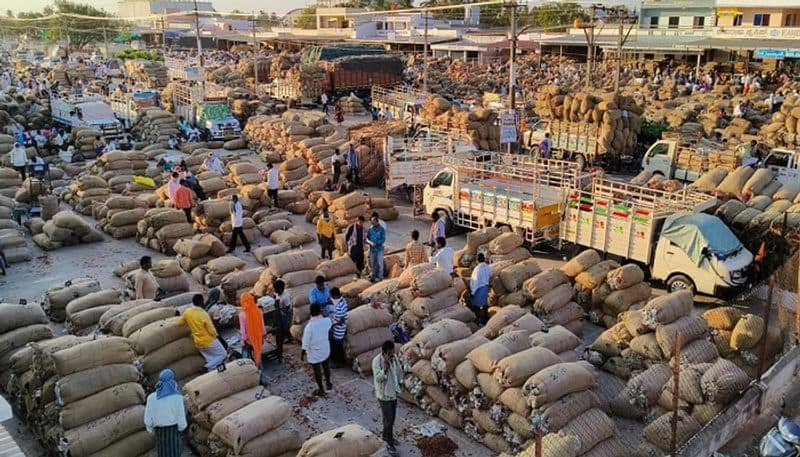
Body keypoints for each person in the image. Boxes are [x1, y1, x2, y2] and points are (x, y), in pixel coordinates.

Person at [144, 369, 187, 457]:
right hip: (173, 432)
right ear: (172, 380)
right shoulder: (178, 398)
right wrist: (180, 429)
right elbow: (181, 420)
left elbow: (148, 420)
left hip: (159, 432)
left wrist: (150, 429)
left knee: (162, 454)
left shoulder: (151, 398)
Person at [178, 294, 227, 370]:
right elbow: (211, 330)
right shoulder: (203, 314)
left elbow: (180, 323)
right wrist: (217, 336)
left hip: (198, 342)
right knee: (223, 354)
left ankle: (211, 371)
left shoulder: (187, 312)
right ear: (201, 302)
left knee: (210, 359)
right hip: (209, 340)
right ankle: (205, 367)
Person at [372, 340, 402, 454]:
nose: (392, 354)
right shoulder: (376, 361)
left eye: (393, 352)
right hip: (383, 395)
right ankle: (388, 442)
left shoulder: (394, 358)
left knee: (392, 417)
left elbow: (398, 371)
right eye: (389, 353)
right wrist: (384, 368)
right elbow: (378, 378)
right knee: (388, 419)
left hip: (393, 393)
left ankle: (389, 436)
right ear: (384, 352)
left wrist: (400, 382)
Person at [301, 303, 333, 397]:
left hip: (314, 352)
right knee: (326, 365)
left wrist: (302, 353)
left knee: (317, 370)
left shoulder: (309, 327)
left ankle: (321, 390)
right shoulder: (327, 321)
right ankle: (328, 383)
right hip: (325, 349)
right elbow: (329, 328)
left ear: (310, 312)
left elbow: (305, 342)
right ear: (320, 311)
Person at [239, 292, 266, 375]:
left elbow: (243, 331)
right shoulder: (258, 311)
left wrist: (245, 340)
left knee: (246, 355)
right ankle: (261, 374)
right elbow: (262, 326)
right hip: (258, 338)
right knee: (258, 354)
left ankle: (249, 373)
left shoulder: (242, 315)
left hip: (249, 340)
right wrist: (262, 336)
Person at [272, 279, 292, 362]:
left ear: (281, 289)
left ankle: (287, 337)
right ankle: (287, 336)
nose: (275, 291)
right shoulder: (278, 293)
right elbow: (275, 297)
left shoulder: (285, 296)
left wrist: (279, 309)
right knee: (280, 328)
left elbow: (287, 308)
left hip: (286, 313)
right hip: (280, 311)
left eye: (276, 289)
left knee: (284, 327)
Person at [469, 253, 491, 324]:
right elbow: (491, 274)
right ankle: (486, 318)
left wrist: (472, 292)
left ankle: (478, 319)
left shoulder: (477, 269)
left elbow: (475, 282)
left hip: (479, 289)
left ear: (477, 260)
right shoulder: (487, 267)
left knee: (476, 305)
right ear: (484, 259)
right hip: (485, 287)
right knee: (484, 304)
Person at [329, 287, 348, 365]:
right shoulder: (342, 301)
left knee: (337, 346)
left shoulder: (340, 305)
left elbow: (342, 320)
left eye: (332, 296)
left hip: (339, 329)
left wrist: (333, 324)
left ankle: (339, 362)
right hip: (338, 328)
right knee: (336, 345)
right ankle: (337, 361)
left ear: (335, 296)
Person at [367, 215, 386, 282]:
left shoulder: (382, 229)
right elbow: (367, 238)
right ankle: (373, 276)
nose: (373, 224)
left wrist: (377, 243)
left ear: (377, 222)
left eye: (374, 222)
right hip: (372, 249)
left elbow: (383, 239)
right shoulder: (370, 229)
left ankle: (380, 277)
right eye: (372, 222)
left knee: (380, 263)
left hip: (379, 249)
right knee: (373, 263)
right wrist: (369, 242)